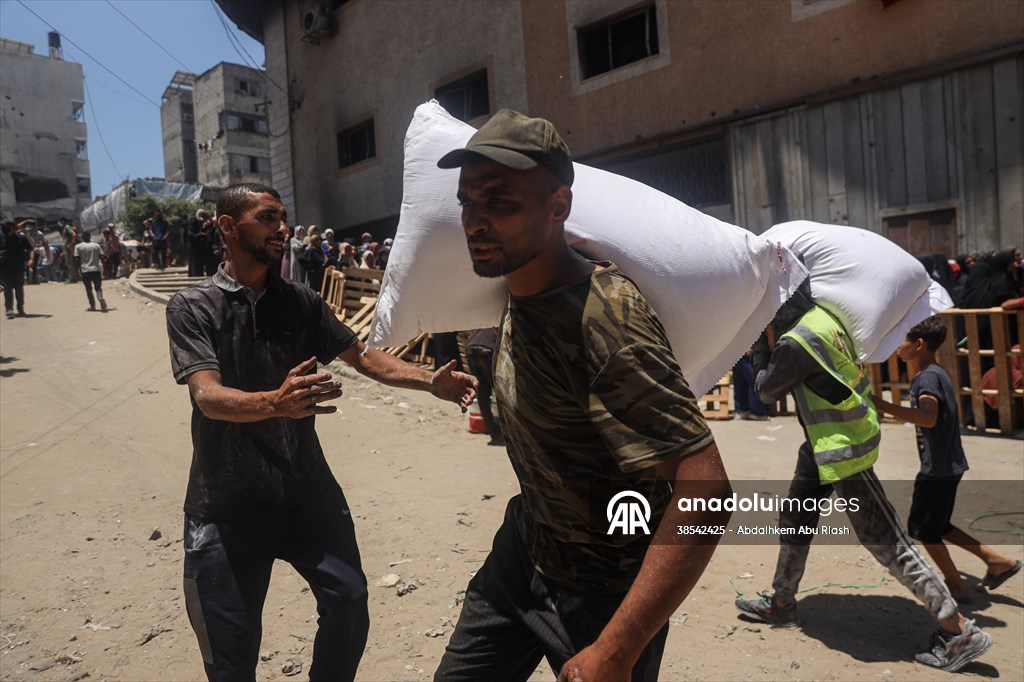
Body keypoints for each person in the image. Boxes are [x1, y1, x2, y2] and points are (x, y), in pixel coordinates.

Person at [433, 109, 731, 682]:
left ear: (558, 206)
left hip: (601, 591)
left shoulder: (606, 325)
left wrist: (617, 649)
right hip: (524, 552)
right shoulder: (518, 283)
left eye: (500, 202)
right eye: (467, 202)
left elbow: (708, 489)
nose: (475, 221)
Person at [165, 182, 476, 682]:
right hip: (226, 505)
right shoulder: (193, 307)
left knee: (349, 601)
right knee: (233, 654)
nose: (282, 229)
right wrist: (275, 403)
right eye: (267, 218)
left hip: (305, 491)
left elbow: (365, 358)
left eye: (283, 218)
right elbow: (207, 395)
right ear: (228, 227)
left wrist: (429, 381)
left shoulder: (301, 301)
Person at [733, 283, 992, 673]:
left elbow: (767, 391)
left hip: (842, 447)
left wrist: (761, 349)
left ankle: (957, 629)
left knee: (888, 541)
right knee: (796, 518)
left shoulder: (796, 342)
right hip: (821, 444)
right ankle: (781, 602)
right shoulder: (826, 317)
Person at [872, 316, 1022, 601]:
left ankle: (955, 585)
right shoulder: (935, 372)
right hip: (948, 463)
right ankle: (996, 561)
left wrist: (881, 404)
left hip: (938, 468)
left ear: (918, 344)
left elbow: (928, 418)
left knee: (923, 528)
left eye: (900, 342)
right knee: (938, 525)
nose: (897, 349)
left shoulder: (926, 377)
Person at [464, 327, 503, 445]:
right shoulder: (498, 319)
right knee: (501, 392)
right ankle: (507, 429)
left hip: (471, 349)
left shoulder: (482, 319)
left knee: (482, 392)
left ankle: (493, 432)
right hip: (487, 350)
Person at [1, 220, 33, 318]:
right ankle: (9, 310)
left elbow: (30, 249)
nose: (5, 228)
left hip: (18, 267)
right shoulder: (1, 238)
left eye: (7, 227)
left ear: (13, 227)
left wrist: (31, 260)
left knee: (19, 288)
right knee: (7, 288)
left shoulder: (21, 238)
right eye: (4, 227)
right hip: (4, 268)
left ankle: (20, 308)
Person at [732, 348, 769, 420]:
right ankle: (754, 411)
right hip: (738, 353)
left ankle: (746, 410)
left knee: (747, 380)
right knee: (743, 382)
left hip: (741, 352)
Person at [74, 230, 107, 312]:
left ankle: (92, 306)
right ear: (90, 237)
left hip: (85, 270)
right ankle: (100, 296)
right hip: (96, 269)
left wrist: (76, 271)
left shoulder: (78, 246)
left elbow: (77, 259)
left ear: (82, 237)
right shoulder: (96, 245)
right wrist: (105, 269)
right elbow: (102, 258)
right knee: (98, 287)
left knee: (88, 289)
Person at [60, 217, 80, 283]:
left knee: (70, 263)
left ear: (62, 221)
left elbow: (74, 235)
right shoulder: (65, 227)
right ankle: (72, 277)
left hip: (68, 248)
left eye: (60, 221)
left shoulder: (67, 227)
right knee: (69, 263)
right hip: (66, 247)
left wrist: (70, 244)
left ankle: (72, 278)